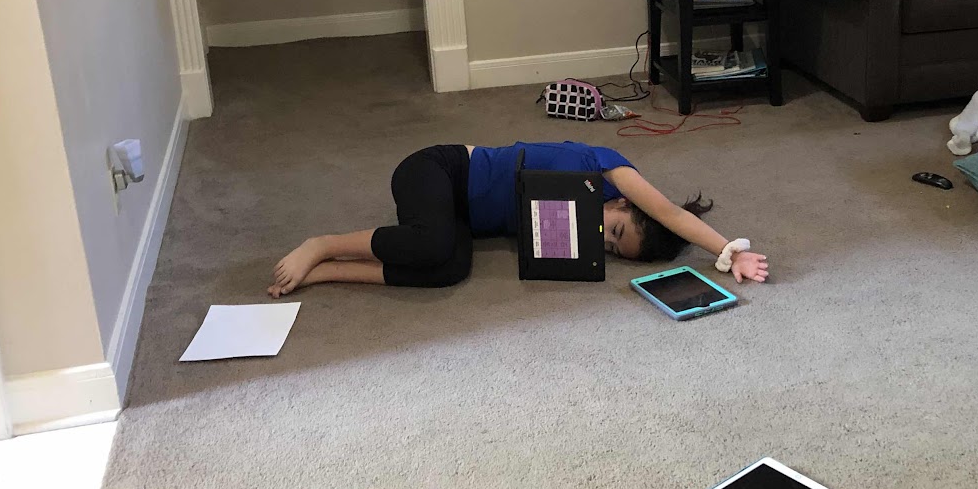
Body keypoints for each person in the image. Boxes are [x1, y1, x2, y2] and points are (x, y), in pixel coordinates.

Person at [268, 141, 770, 296]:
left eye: (612, 248)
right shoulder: (607, 168)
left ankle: (328, 272)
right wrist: (730, 253)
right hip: (437, 171)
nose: (601, 237)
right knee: (432, 243)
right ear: (620, 202)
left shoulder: (583, 229)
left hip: (458, 215)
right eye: (614, 230)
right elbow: (667, 211)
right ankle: (324, 243)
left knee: (449, 269)